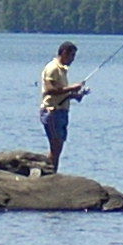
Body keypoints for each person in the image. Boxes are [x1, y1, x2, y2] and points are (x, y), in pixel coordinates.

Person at [39, 41, 87, 171]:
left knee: (58, 147)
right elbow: (49, 90)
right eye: (72, 56)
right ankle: (49, 173)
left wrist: (74, 95)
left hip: (61, 112)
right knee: (56, 146)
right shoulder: (52, 68)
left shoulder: (62, 70)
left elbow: (61, 92)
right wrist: (71, 88)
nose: (73, 59)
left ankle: (51, 171)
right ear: (64, 53)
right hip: (52, 111)